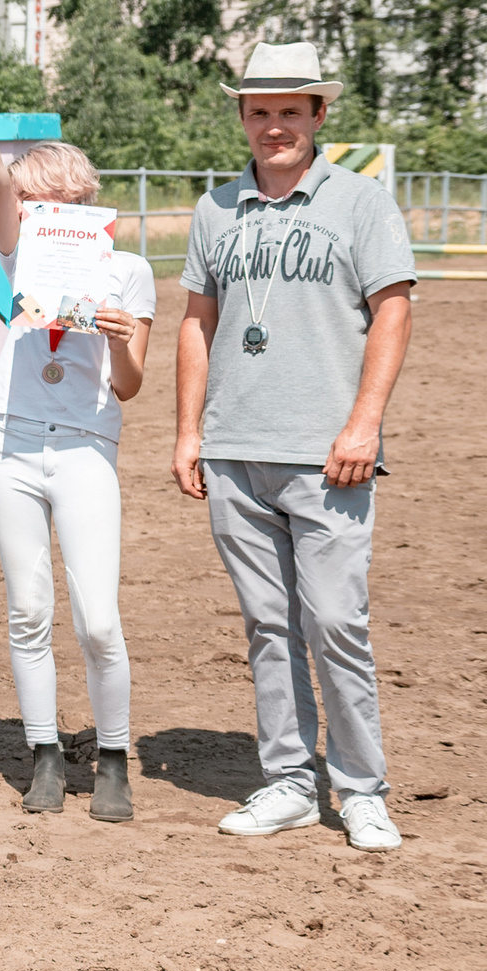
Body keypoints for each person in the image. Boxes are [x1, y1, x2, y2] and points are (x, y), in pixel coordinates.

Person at [174, 42, 415, 852]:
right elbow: (197, 325)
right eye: (259, 111)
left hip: (330, 452)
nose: (274, 125)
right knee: (268, 625)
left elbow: (393, 311)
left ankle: (362, 789)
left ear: (318, 114)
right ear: (241, 117)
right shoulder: (215, 209)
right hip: (235, 450)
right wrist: (188, 432)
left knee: (338, 622)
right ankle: (287, 782)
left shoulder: (362, 203)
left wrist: (365, 421)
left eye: (290, 110)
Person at [0, 53, 154, 821]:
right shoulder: (17, 256)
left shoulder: (127, 272)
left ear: (89, 207)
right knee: (28, 609)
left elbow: (131, 384)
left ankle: (111, 755)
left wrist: (125, 335)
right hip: (11, 442)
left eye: (61, 202)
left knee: (97, 617)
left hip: (83, 446)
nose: (45, 213)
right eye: (34, 202)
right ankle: (43, 754)